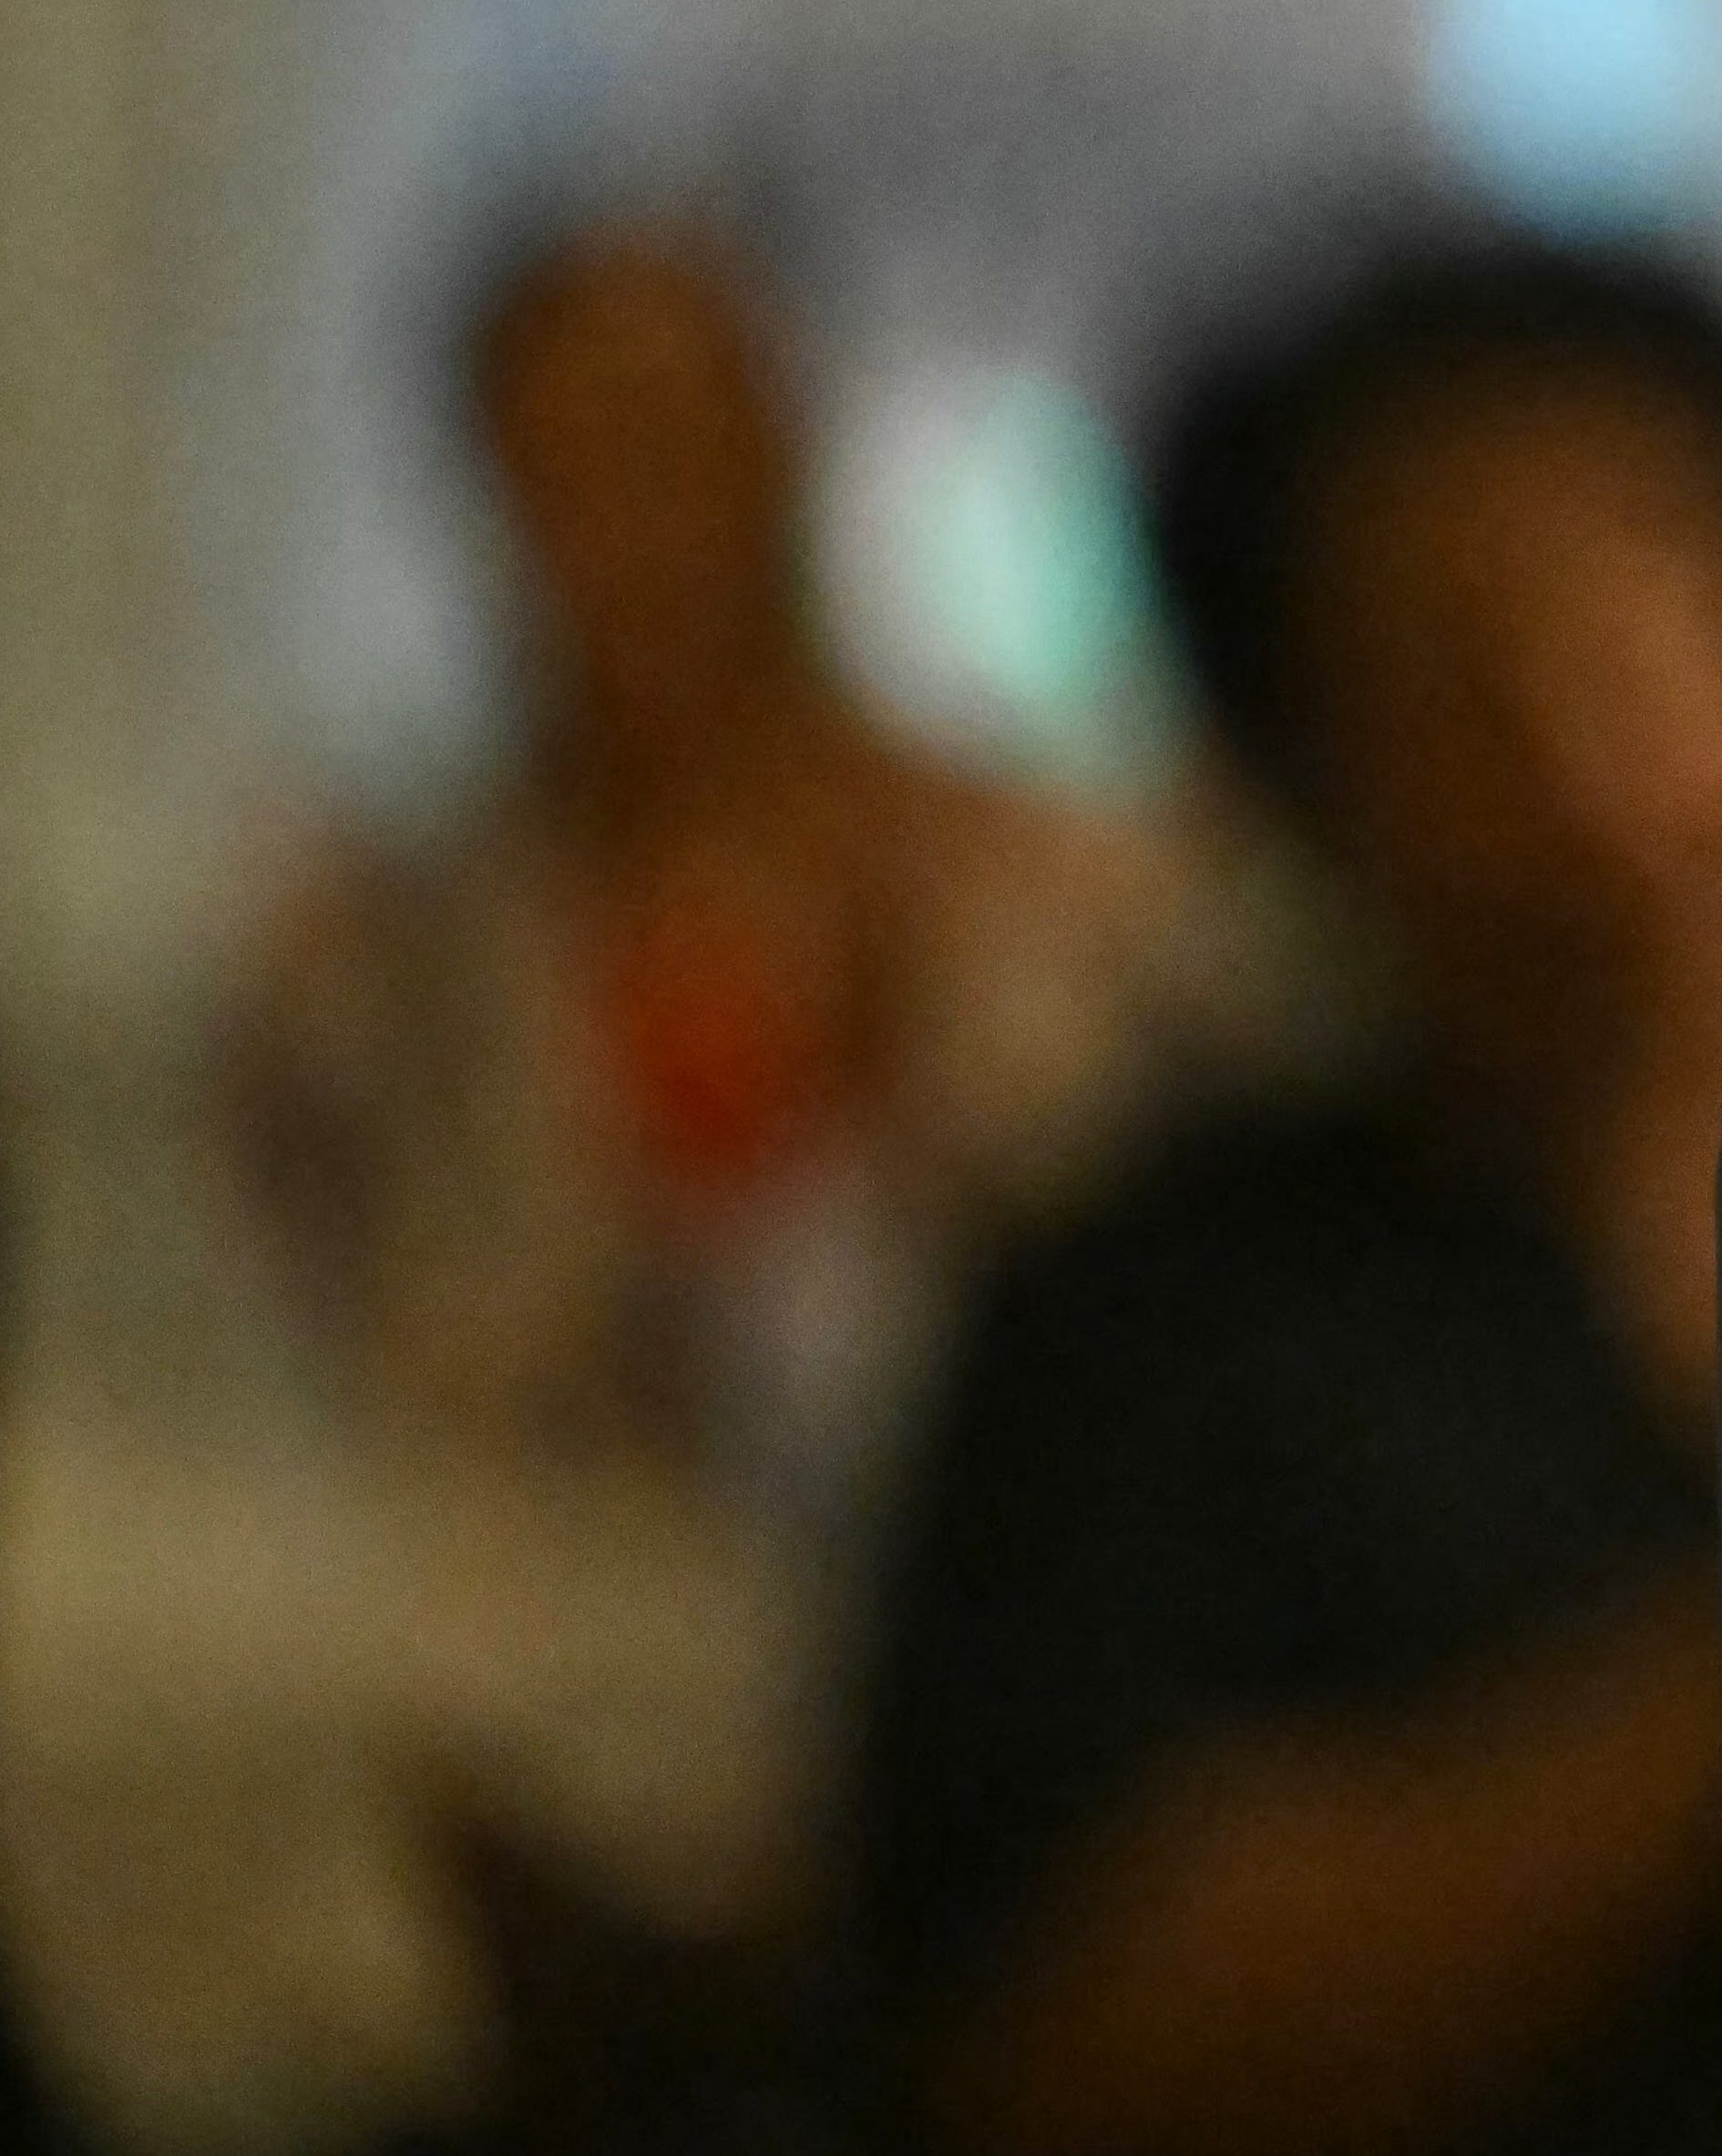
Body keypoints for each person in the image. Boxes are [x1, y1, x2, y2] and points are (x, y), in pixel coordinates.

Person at [844, 230, 1722, 2156]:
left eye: (1669, 611)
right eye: (1475, 677)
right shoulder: (1162, 1310)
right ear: (1299, 774)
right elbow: (1066, 2040)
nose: (1612, 767)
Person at [232, 210, 1196, 1528]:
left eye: (684, 449)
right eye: (575, 463)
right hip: (510, 1630)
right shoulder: (371, 938)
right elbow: (336, 1339)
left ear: (786, 450)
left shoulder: (1060, 886)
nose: (644, 531)